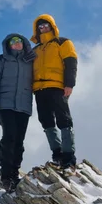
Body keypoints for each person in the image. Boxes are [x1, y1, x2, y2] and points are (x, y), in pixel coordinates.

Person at [0, 33, 36, 191]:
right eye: (13, 41)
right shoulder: (0, 60)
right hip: (5, 106)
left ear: (24, 43)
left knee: (19, 140)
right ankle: (6, 175)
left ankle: (14, 173)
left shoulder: (30, 62)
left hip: (24, 106)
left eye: (19, 41)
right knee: (9, 137)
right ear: (8, 45)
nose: (16, 43)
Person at [30, 14, 78, 170]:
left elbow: (71, 63)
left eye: (46, 25)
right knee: (46, 120)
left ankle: (68, 156)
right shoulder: (35, 49)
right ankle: (57, 155)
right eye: (40, 26)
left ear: (52, 26)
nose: (43, 28)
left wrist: (69, 84)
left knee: (63, 119)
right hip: (39, 89)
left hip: (58, 86)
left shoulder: (63, 43)